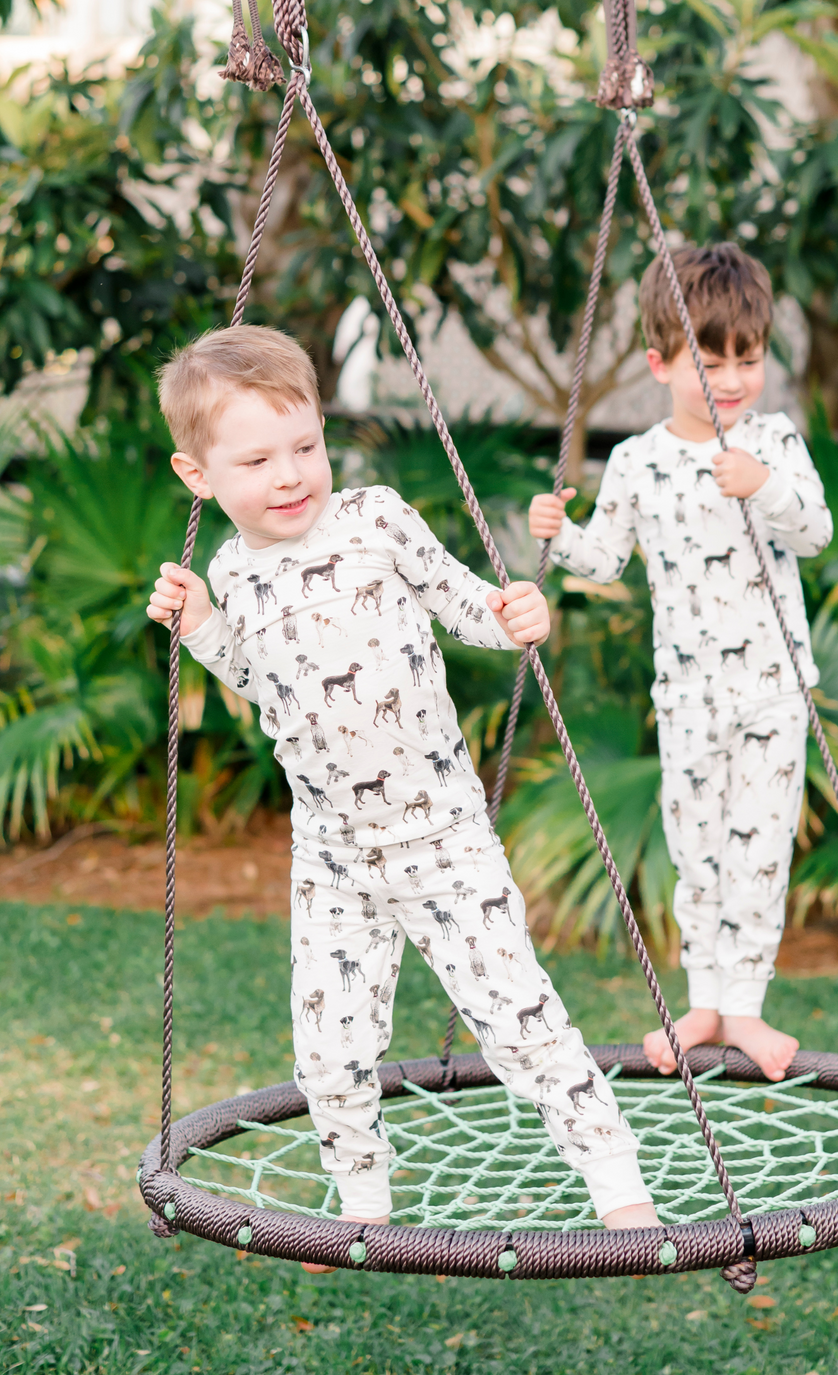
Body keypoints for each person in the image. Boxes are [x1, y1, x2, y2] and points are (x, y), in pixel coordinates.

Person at [146, 325, 659, 1258]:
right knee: (331, 1051)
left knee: (520, 1018)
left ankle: (618, 1184)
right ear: (199, 475)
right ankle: (362, 1194)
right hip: (333, 856)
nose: (292, 473)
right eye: (258, 459)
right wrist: (206, 628)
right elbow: (263, 682)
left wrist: (518, 616)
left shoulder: (374, 517)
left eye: (305, 446)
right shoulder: (227, 569)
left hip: (443, 836)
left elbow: (469, 603)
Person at [528, 243, 833, 1083]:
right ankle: (704, 999)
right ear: (661, 363)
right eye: (711, 361)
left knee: (760, 845)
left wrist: (764, 484)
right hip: (689, 695)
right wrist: (561, 534)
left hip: (772, 692)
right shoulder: (636, 461)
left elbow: (815, 530)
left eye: (749, 357)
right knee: (695, 845)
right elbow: (606, 560)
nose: (732, 380)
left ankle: (748, 1006)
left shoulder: (774, 441)